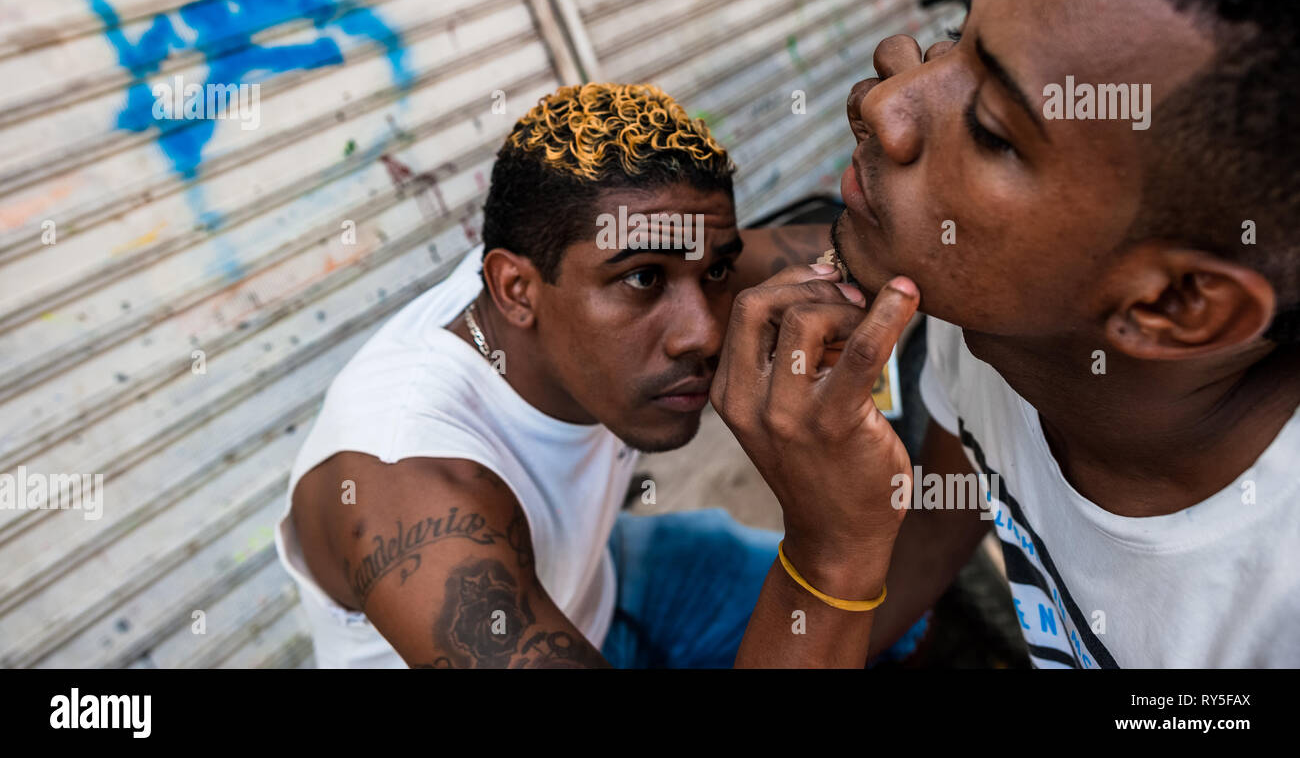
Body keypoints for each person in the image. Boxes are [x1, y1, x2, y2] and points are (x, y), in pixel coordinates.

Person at [711, 0, 1300, 668]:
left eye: (991, 128)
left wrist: (829, 559)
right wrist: (840, 551)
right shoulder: (996, 334)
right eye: (954, 38)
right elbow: (957, 510)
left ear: (1173, 305)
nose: (885, 102)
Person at [274, 81, 925, 667]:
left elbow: (849, 255)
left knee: (893, 612)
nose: (702, 333)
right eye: (644, 279)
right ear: (514, 289)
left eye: (716, 273)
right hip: (524, 614)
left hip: (602, 575)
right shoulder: (408, 484)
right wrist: (832, 551)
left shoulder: (595, 252)